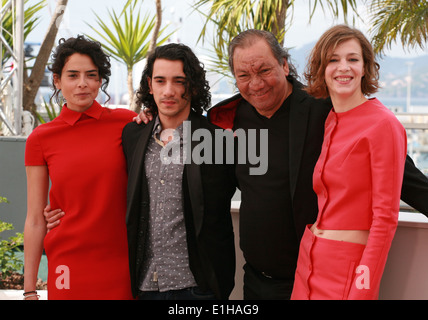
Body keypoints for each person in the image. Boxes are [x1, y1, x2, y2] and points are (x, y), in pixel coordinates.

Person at [137, 29, 428, 300]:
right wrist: (147, 119)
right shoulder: (228, 119)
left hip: (316, 278)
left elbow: (399, 174)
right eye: (243, 75)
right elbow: (200, 179)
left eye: (264, 70)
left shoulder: (324, 109)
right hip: (255, 281)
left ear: (285, 66)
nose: (256, 84)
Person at [290, 25, 406, 300]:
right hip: (308, 265)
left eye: (352, 59)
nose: (343, 67)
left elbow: (386, 219)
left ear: (365, 67)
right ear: (322, 68)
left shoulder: (383, 124)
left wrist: (363, 286)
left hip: (348, 272)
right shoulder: (331, 120)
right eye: (333, 59)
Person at [23, 36, 135, 300]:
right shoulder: (40, 138)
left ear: (99, 81)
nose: (82, 83)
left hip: (120, 262)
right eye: (73, 75)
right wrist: (29, 290)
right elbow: (36, 218)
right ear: (57, 81)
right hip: (67, 262)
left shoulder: (127, 123)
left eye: (91, 75)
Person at [121, 43, 236, 300]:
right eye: (160, 81)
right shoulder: (133, 135)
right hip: (145, 284)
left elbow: (259, 191)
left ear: (192, 86)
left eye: (179, 81)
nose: (169, 91)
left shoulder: (219, 141)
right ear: (150, 86)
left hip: (198, 287)